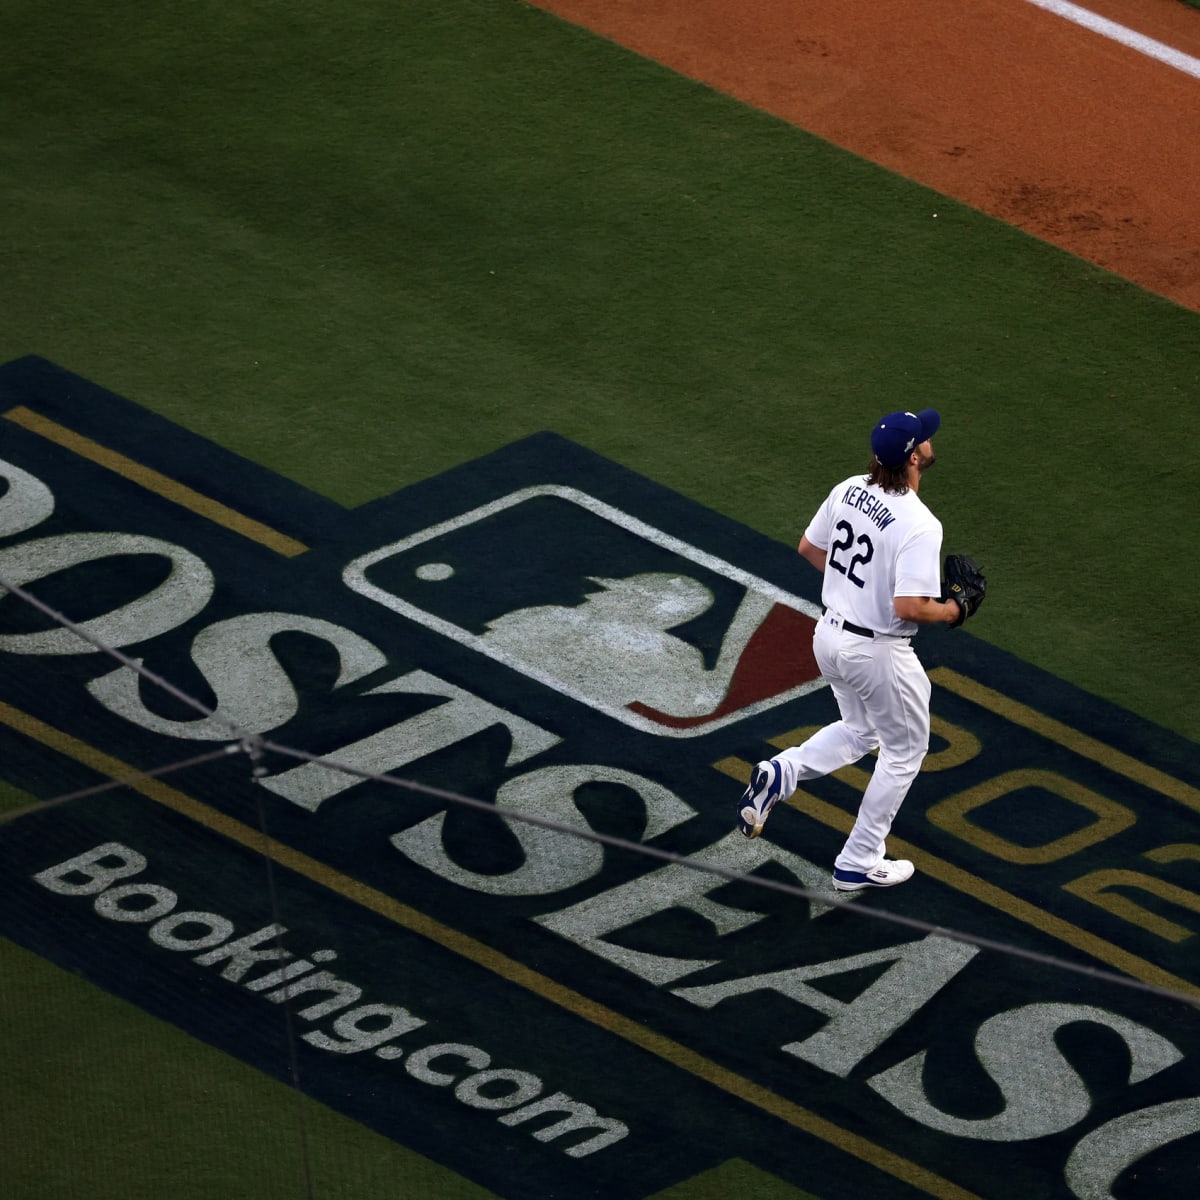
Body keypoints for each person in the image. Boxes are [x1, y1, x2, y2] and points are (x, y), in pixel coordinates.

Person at [735, 408, 963, 891]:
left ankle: (782, 771)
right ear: (914, 458)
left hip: (828, 637)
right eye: (923, 439)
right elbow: (909, 605)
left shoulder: (850, 488)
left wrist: (857, 593)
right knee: (905, 751)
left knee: (862, 731)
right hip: (877, 652)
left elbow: (809, 549)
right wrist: (953, 610)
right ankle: (858, 859)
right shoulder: (920, 524)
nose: (928, 441)